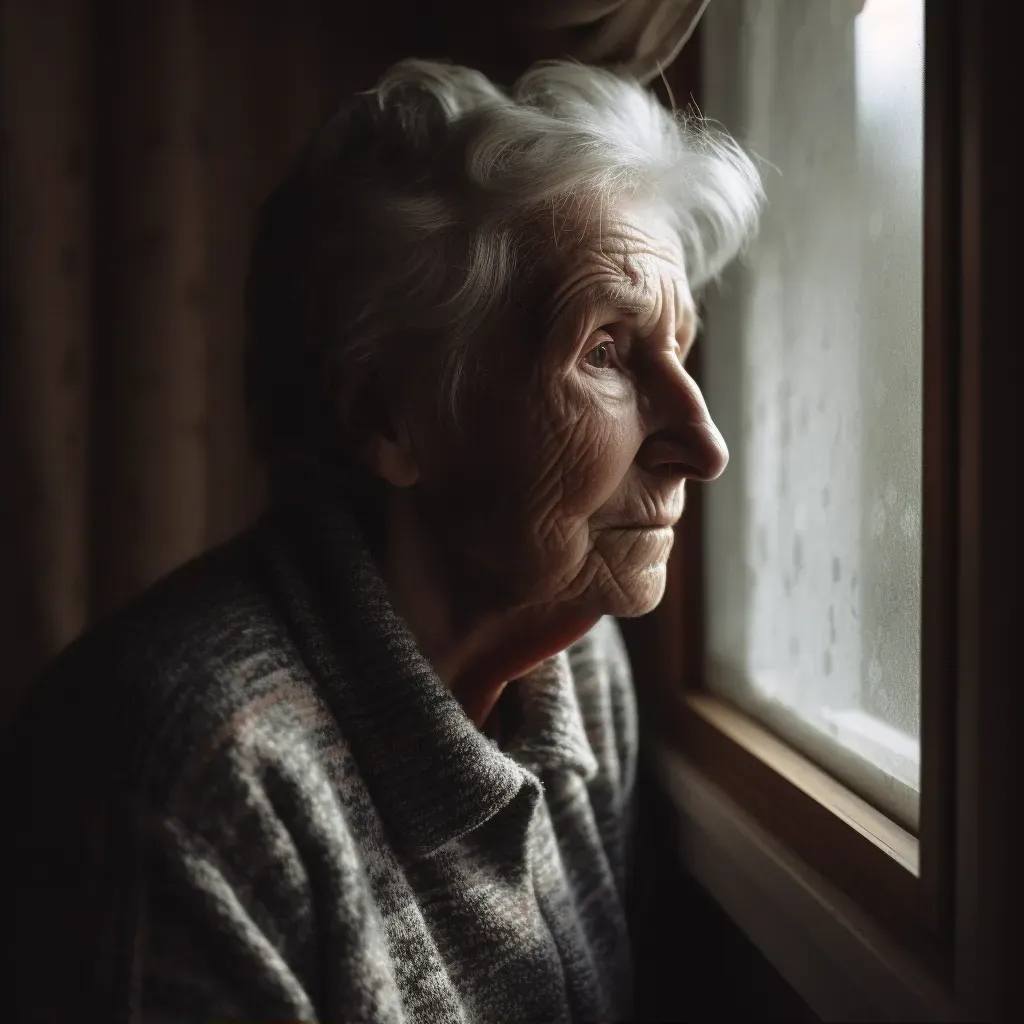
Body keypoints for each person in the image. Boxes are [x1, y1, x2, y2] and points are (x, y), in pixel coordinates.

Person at [2, 59, 761, 1022]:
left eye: (679, 349)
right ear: (388, 417)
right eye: (604, 353)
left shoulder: (577, 669)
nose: (704, 445)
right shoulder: (174, 784)